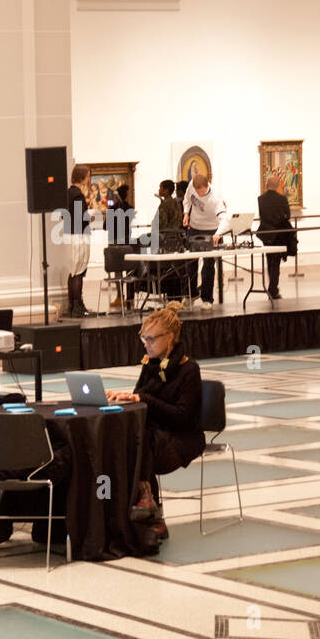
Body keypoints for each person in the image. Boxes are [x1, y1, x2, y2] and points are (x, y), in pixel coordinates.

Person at [106, 300, 205, 539]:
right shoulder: (150, 365)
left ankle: (151, 509)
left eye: (151, 339)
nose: (146, 345)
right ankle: (142, 504)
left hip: (183, 437)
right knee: (133, 439)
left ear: (169, 338)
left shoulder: (189, 370)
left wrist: (144, 399)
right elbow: (141, 398)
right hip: (155, 435)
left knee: (143, 442)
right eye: (144, 339)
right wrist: (123, 398)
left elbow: (181, 416)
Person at [182, 173, 230, 309]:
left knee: (208, 266)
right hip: (194, 228)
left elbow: (224, 219)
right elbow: (187, 200)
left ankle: (207, 299)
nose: (199, 194)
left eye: (202, 191)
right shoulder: (192, 186)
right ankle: (191, 294)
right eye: (197, 192)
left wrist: (218, 233)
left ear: (207, 186)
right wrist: (186, 213)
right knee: (190, 264)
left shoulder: (216, 198)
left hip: (212, 229)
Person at [61, 164, 94, 318]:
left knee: (73, 272)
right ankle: (78, 307)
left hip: (69, 235)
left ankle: (72, 306)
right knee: (79, 272)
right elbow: (82, 217)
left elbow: (64, 216)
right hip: (79, 236)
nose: (89, 179)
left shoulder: (67, 193)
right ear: (83, 177)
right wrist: (91, 216)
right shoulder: (78, 195)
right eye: (88, 176)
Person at [256, 175, 297, 300]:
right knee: (276, 262)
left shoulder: (261, 199)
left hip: (267, 235)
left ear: (267, 185)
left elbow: (263, 216)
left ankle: (272, 287)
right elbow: (288, 216)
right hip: (279, 234)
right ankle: (273, 288)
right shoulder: (282, 199)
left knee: (270, 261)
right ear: (278, 185)